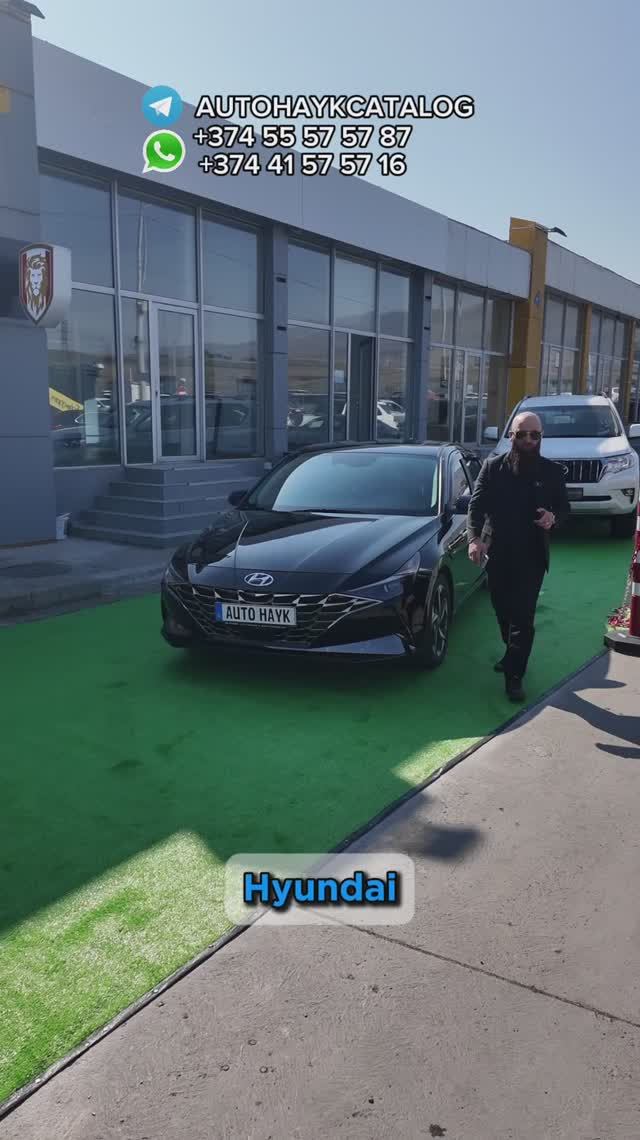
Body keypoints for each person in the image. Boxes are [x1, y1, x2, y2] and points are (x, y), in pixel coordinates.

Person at [467, 411, 570, 702]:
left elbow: (564, 509)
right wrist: (474, 539)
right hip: (498, 552)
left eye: (534, 435)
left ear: (541, 437)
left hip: (532, 555)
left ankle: (514, 676)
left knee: (523, 618)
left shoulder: (551, 472)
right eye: (522, 434)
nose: (528, 440)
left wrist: (553, 518)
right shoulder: (493, 467)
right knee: (503, 613)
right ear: (511, 436)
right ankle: (512, 654)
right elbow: (476, 506)